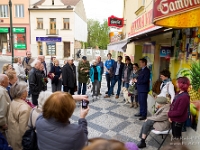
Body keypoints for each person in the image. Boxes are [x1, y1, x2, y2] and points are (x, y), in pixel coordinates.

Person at [7, 82, 32, 150]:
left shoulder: (14, 101)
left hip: (12, 137)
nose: (27, 91)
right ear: (23, 93)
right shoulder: (24, 108)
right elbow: (24, 130)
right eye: (26, 90)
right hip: (19, 142)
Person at [168, 77, 190, 142]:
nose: (176, 84)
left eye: (178, 82)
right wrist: (170, 116)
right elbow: (173, 105)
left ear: (182, 84)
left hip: (178, 120)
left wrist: (169, 114)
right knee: (175, 136)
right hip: (174, 118)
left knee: (177, 138)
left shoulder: (184, 97)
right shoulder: (179, 93)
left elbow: (179, 112)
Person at [0, 74, 11, 139]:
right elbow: (2, 109)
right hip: (2, 126)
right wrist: (3, 123)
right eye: (7, 80)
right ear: (3, 83)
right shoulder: (2, 92)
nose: (9, 81)